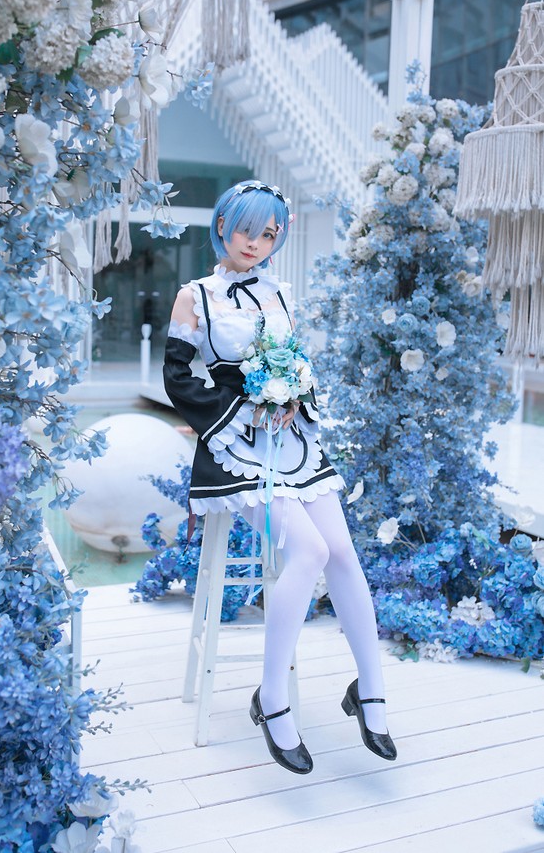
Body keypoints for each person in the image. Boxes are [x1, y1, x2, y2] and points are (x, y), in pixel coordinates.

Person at [163, 181, 396, 774]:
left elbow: (298, 362)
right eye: (246, 230)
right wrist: (243, 409)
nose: (255, 243)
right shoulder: (196, 296)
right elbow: (177, 377)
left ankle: (369, 689)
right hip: (236, 448)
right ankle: (272, 699)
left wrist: (295, 395)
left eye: (268, 235)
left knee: (342, 552)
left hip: (292, 441)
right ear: (222, 225)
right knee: (310, 550)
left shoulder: (278, 293)